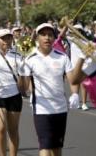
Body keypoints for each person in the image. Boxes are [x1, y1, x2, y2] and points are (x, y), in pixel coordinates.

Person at [19, 23, 79, 156]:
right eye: (43, 35)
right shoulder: (30, 59)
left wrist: (75, 93)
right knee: (45, 147)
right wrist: (21, 73)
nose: (47, 38)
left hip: (60, 108)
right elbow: (23, 88)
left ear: (54, 38)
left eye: (50, 35)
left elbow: (72, 80)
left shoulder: (62, 57)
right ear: (37, 38)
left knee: (57, 148)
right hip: (41, 109)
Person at [0, 29, 24, 156]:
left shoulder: (18, 55)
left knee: (13, 130)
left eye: (9, 38)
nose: (7, 41)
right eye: (3, 38)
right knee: (1, 128)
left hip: (14, 96)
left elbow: (24, 74)